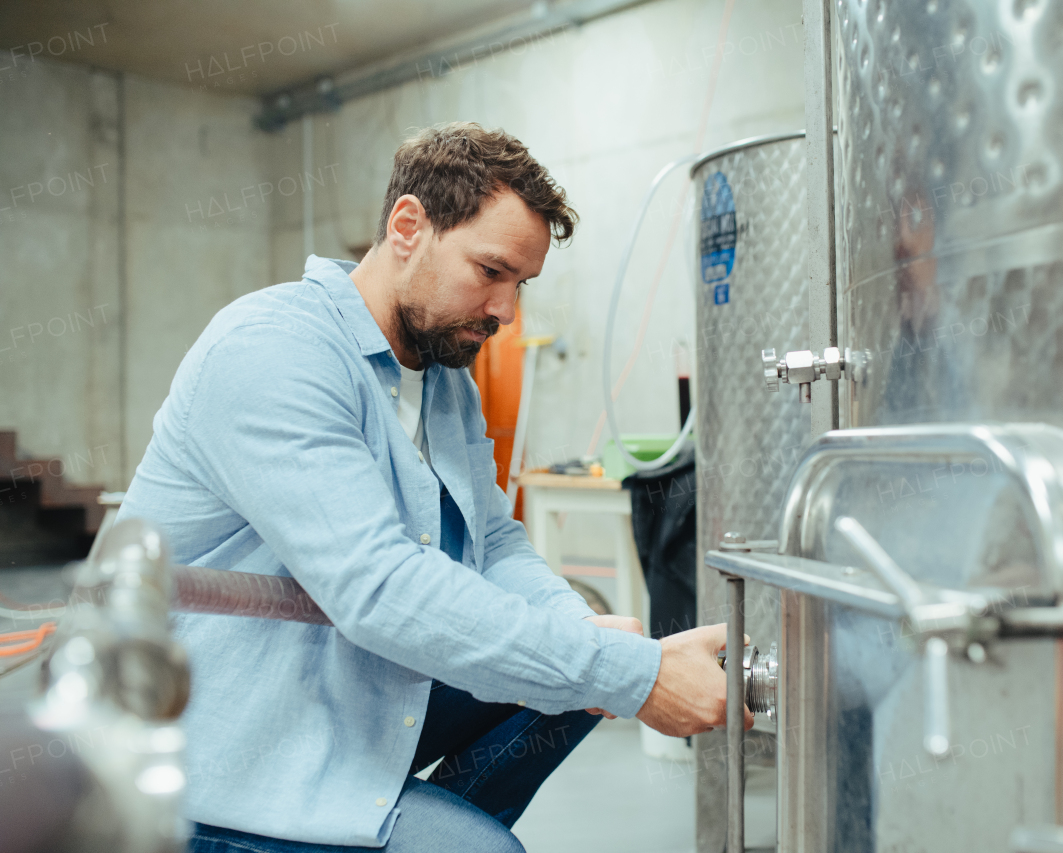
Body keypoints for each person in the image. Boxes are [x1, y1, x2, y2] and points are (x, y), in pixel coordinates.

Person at [117, 122, 752, 853]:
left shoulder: (445, 381)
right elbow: (380, 586)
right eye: (491, 271)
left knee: (587, 660)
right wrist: (634, 678)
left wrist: (593, 648)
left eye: (520, 284)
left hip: (343, 681)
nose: (507, 311)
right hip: (228, 745)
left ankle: (401, 827)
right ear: (408, 226)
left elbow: (496, 539)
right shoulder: (272, 348)